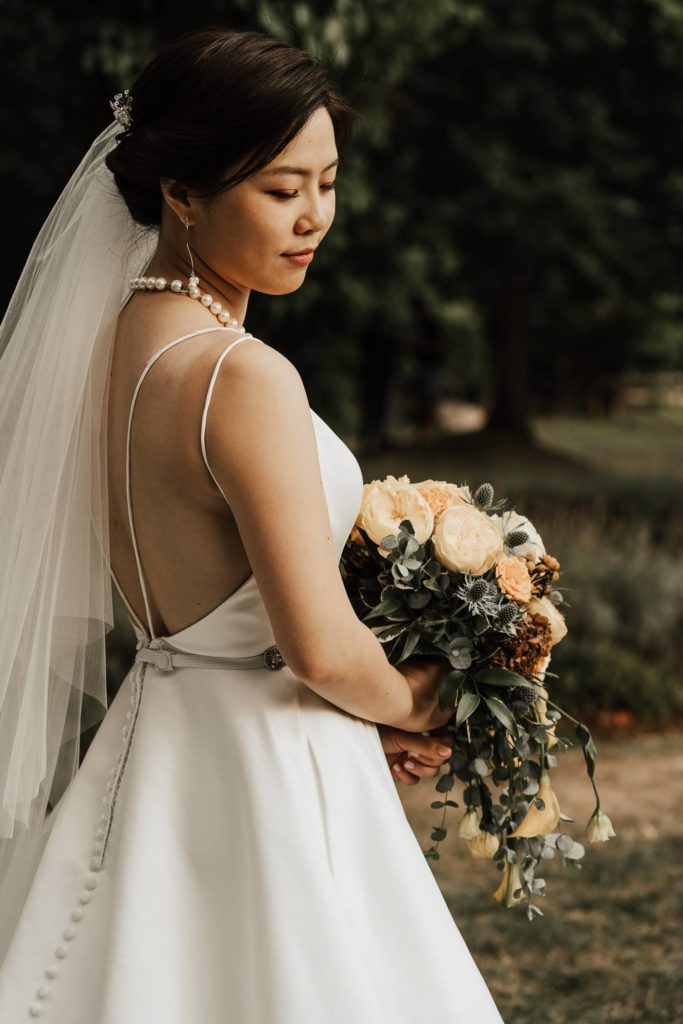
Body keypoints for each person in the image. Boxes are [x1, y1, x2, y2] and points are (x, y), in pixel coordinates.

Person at [0, 26, 506, 1023]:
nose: (313, 215)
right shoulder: (242, 376)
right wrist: (432, 700)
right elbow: (317, 651)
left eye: (326, 181)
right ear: (181, 193)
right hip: (270, 770)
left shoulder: (104, 347)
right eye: (281, 188)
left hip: (153, 744)